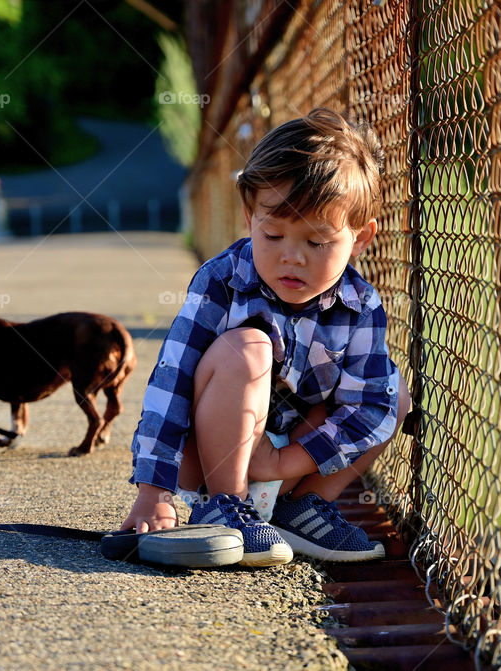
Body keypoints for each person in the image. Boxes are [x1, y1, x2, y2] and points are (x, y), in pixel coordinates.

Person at [120, 107, 412, 567]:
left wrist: (285, 462)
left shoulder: (361, 305)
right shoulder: (223, 281)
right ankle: (228, 508)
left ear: (360, 239)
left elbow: (368, 406)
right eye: (272, 234)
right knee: (248, 347)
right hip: (211, 459)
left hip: (294, 461)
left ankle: (301, 509)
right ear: (249, 215)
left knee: (393, 396)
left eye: (317, 243)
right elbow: (171, 379)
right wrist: (153, 491)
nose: (291, 258)